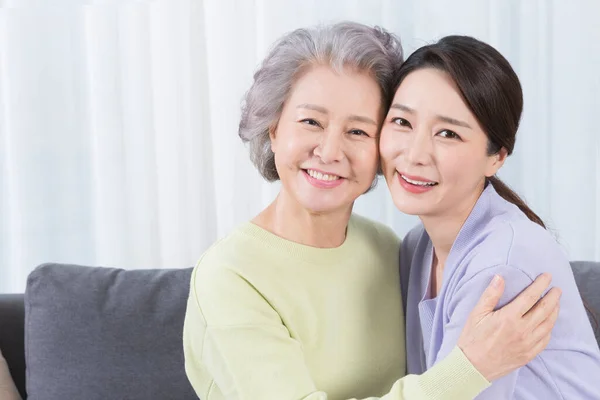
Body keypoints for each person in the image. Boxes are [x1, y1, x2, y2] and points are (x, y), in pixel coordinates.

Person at [183, 22, 561, 400]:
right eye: (311, 122)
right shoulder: (229, 276)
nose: (330, 151)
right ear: (274, 129)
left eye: (359, 132)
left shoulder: (387, 248)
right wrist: (471, 369)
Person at [380, 35, 600, 399]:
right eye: (402, 122)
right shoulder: (417, 248)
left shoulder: (501, 264)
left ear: (496, 157)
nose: (415, 154)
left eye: (447, 133)